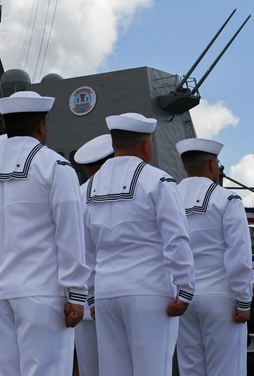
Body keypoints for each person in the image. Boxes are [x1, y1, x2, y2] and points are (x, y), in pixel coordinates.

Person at [0, 91, 89, 376]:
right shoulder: (55, 166)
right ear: (41, 125)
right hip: (42, 292)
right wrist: (76, 293)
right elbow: (70, 233)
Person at [83, 112, 194, 376]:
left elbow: (85, 248)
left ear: (114, 145)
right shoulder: (158, 180)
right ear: (146, 145)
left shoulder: (86, 188)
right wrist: (186, 287)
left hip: (106, 293)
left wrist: (91, 294)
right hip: (149, 291)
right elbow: (176, 238)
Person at [175, 138, 254, 376]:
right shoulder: (227, 200)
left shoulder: (169, 198)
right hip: (221, 297)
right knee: (226, 369)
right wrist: (244, 300)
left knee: (191, 369)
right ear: (212, 165)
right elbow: (238, 254)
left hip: (183, 298)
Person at [72, 134, 114, 376]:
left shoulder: (77, 196)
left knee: (90, 369)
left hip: (84, 301)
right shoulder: (132, 189)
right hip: (120, 297)